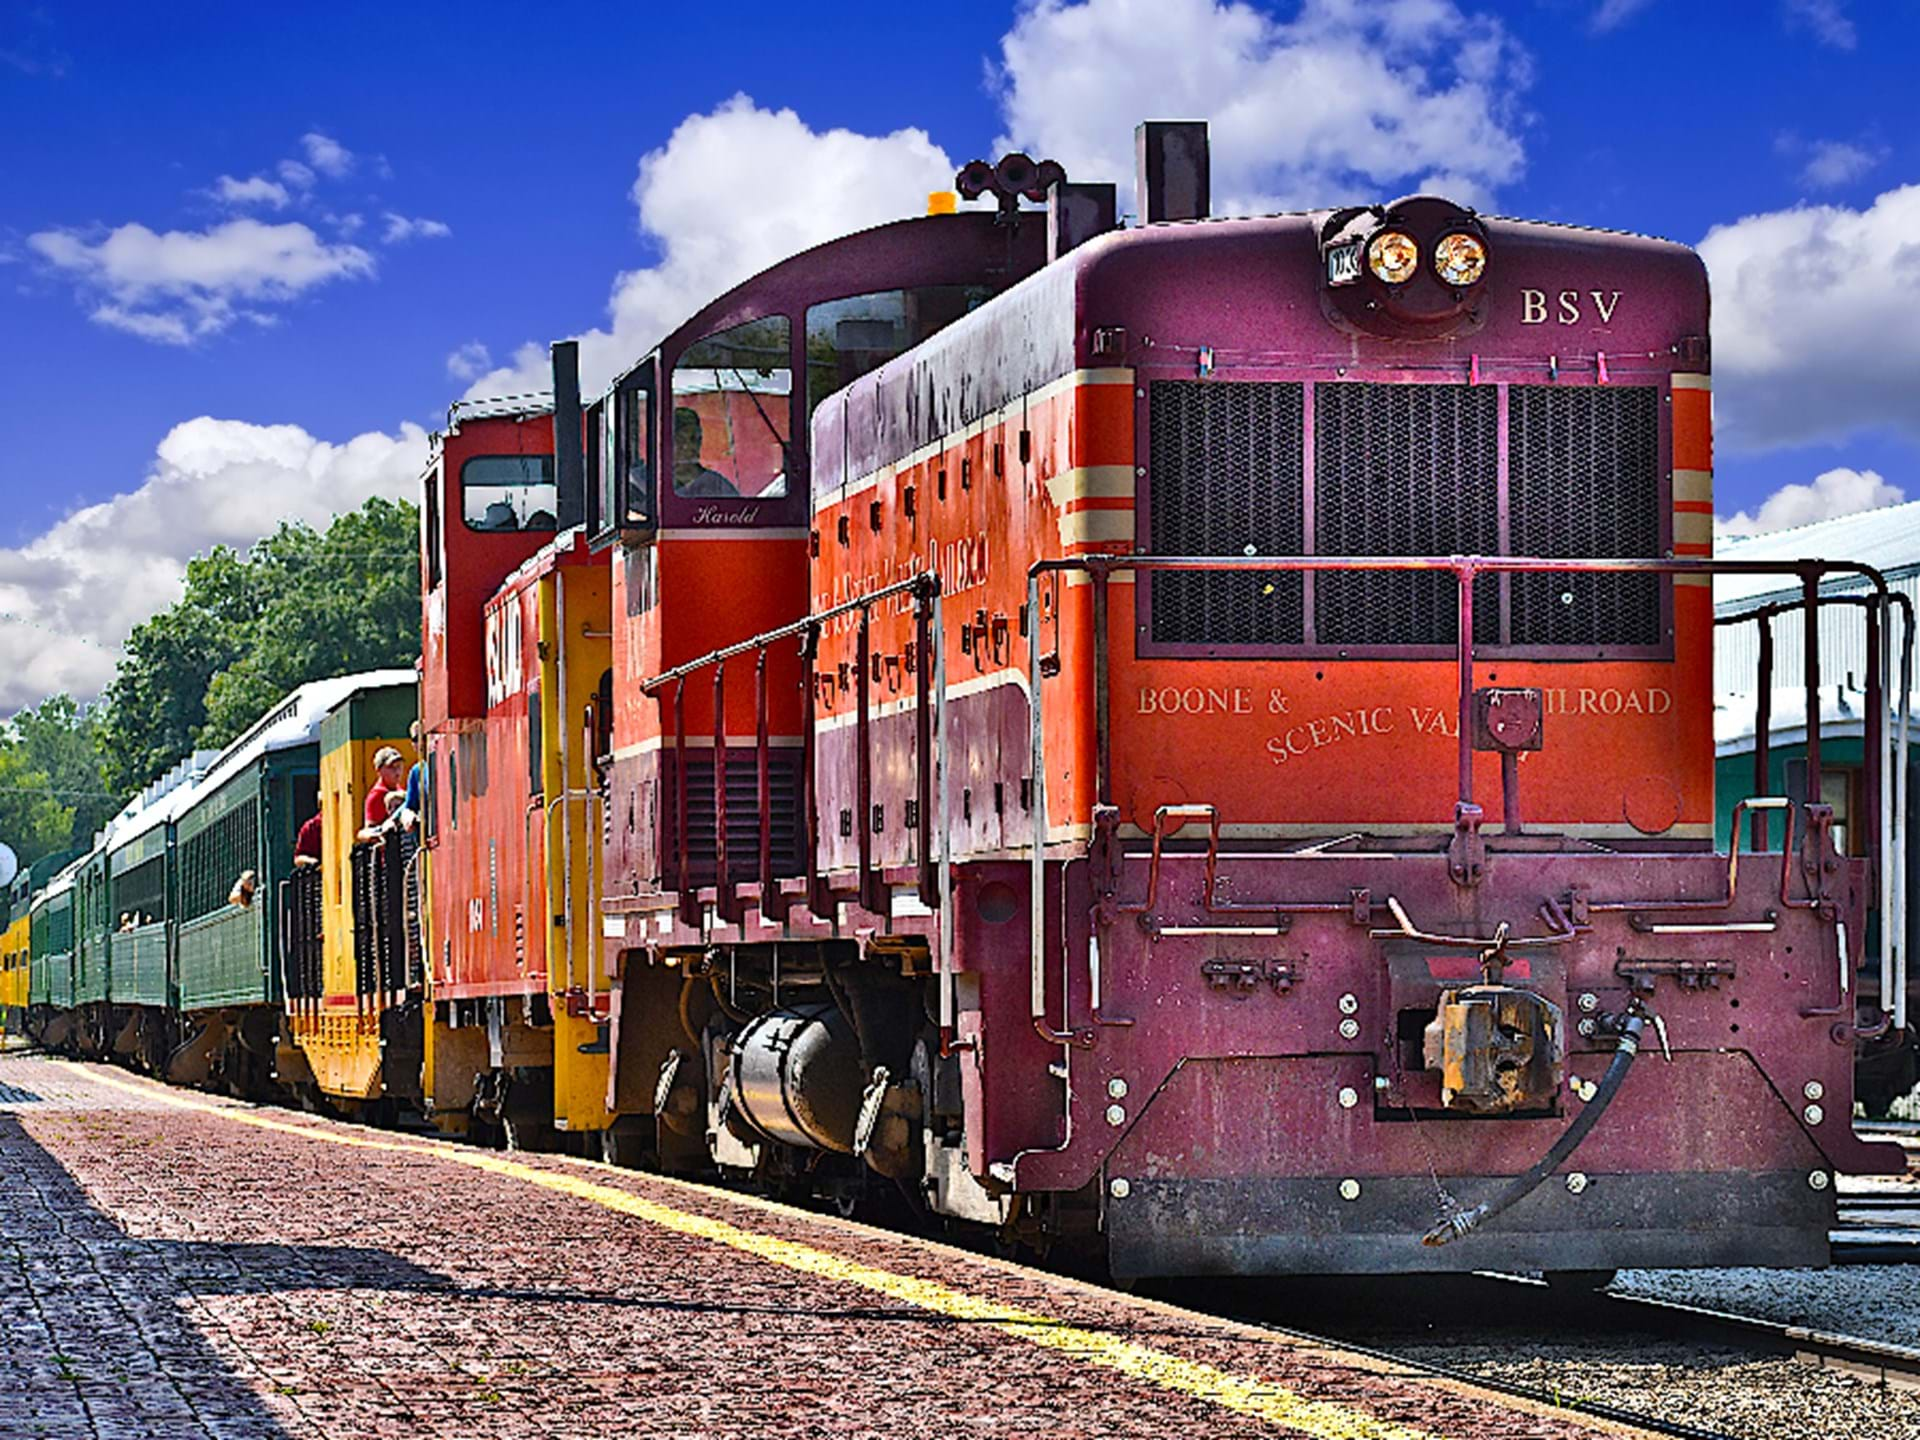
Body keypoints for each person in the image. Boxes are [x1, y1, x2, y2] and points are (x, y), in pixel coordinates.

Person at [672, 407, 739, 497]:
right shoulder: (655, 484)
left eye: (695, 439)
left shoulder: (717, 486)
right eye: (680, 440)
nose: (690, 447)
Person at [361, 747, 408, 840]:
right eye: (391, 767)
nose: (397, 771)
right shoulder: (377, 795)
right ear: (379, 771)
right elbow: (370, 829)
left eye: (399, 766)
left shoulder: (399, 790)